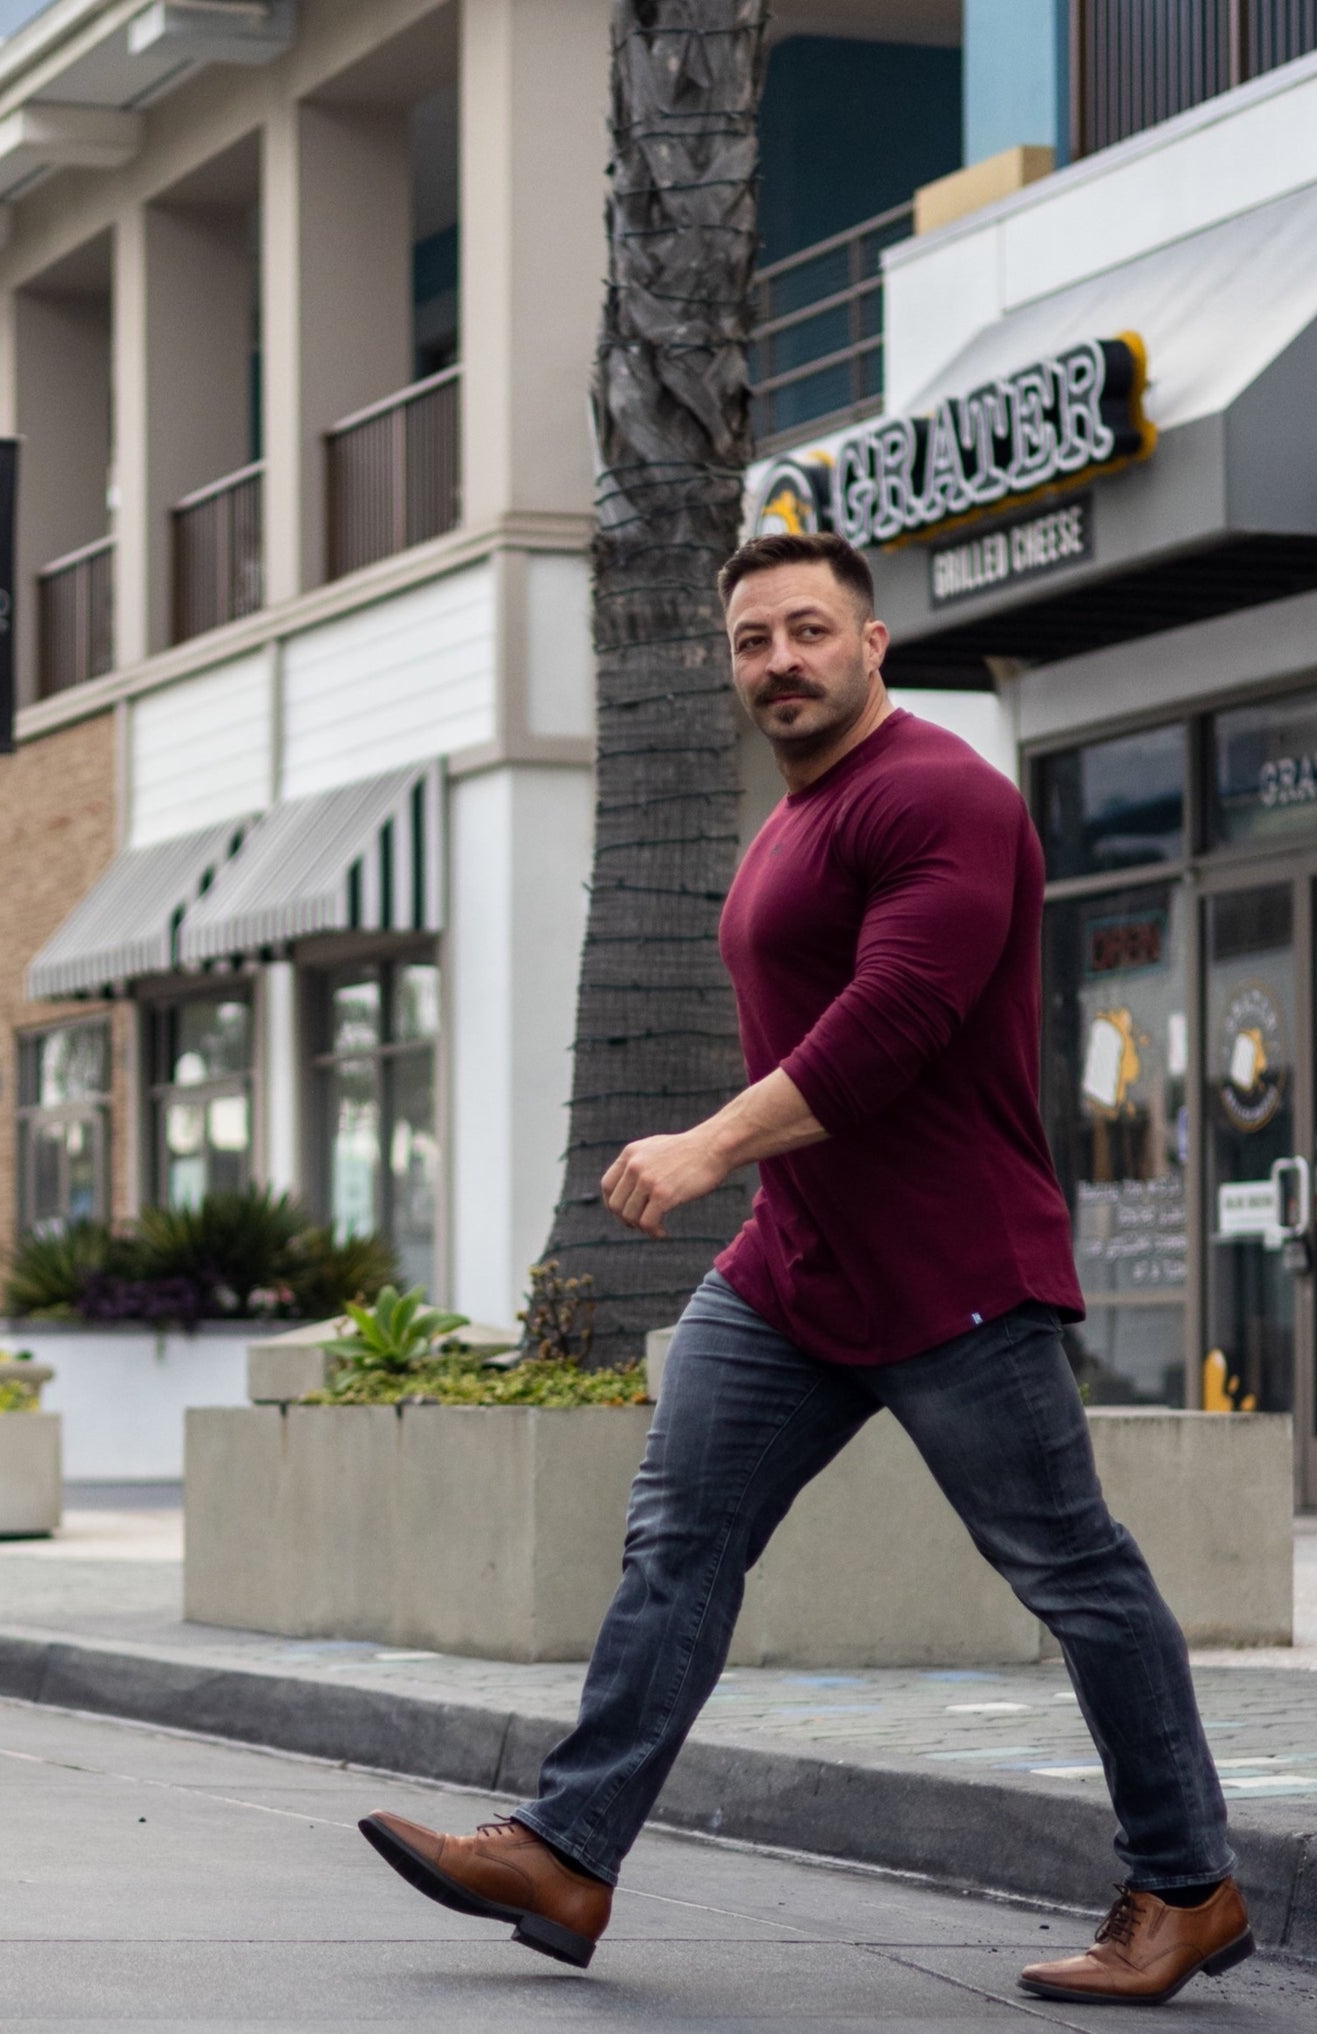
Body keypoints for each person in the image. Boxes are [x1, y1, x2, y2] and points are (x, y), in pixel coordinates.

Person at [359, 530, 1252, 2007]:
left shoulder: (940, 797)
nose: (777, 660)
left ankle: (1186, 1884)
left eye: (805, 632)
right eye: (750, 640)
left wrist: (710, 1144)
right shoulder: (793, 815)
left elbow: (892, 1022)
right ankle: (567, 1848)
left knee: (1072, 1571)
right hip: (795, 1270)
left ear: (871, 642)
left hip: (951, 1268)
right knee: (678, 1540)